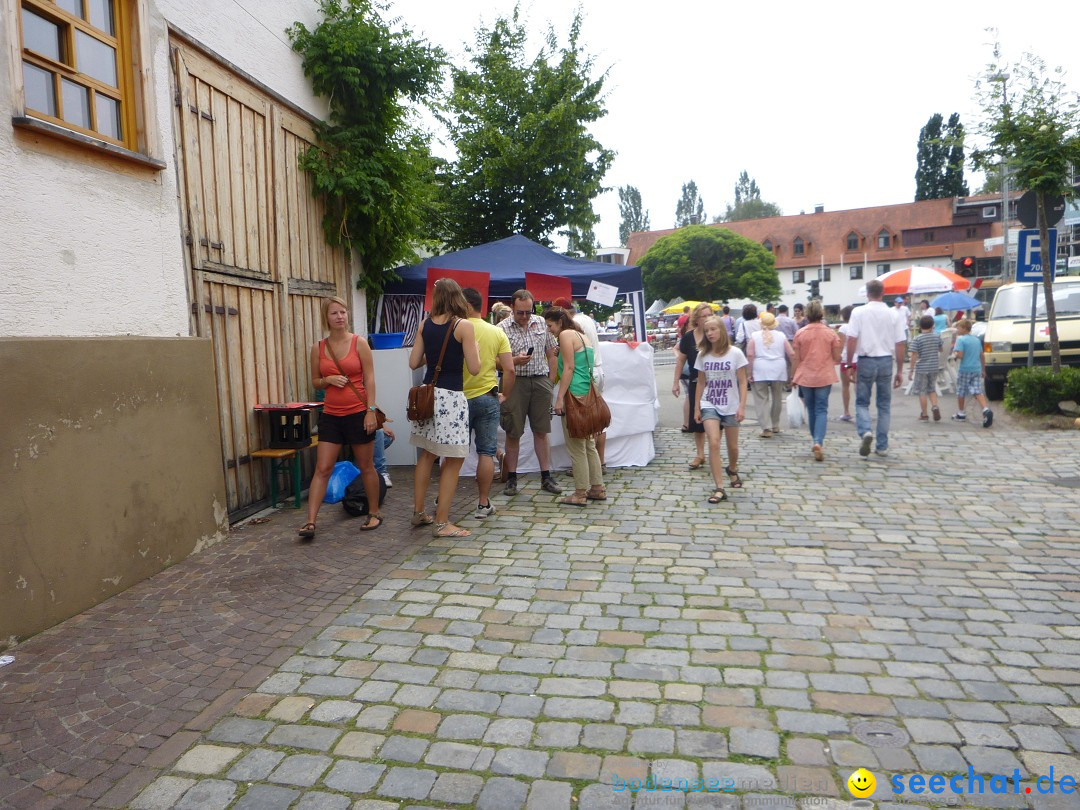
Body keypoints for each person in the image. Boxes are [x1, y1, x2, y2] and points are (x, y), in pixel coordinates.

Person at [300, 296, 383, 539]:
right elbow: (315, 380)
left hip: (358, 412)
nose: (340, 317)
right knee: (323, 467)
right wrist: (328, 380)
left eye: (343, 312)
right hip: (331, 415)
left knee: (366, 466)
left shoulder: (359, 343)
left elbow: (369, 379)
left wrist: (370, 410)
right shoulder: (319, 347)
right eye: (334, 313)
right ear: (326, 317)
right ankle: (310, 522)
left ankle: (374, 513)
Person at [409, 279, 481, 538]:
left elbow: (414, 362)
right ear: (457, 297)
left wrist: (435, 351)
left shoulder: (424, 325)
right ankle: (442, 522)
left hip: (428, 394)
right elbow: (474, 368)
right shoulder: (463, 326)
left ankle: (419, 512)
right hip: (451, 397)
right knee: (454, 458)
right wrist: (476, 352)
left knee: (427, 455)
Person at [498, 289, 561, 496]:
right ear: (512, 308)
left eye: (528, 311)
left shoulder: (541, 323)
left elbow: (552, 354)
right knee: (513, 431)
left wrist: (550, 382)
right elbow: (494, 362)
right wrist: (514, 361)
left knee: (542, 430)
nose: (525, 316)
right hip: (514, 383)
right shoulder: (501, 328)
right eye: (520, 312)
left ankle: (546, 476)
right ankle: (512, 478)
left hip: (540, 380)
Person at [462, 287, 515, 519]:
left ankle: (442, 496)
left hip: (458, 397)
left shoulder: (455, 329)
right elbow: (510, 369)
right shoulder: (496, 332)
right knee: (486, 452)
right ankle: (483, 504)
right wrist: (505, 394)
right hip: (487, 395)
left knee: (451, 453)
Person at [545, 307, 606, 506]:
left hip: (574, 394)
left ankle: (580, 493)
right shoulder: (580, 335)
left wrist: (560, 398)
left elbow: (569, 368)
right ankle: (597, 487)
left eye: (550, 325)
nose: (549, 330)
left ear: (559, 322)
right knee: (588, 444)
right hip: (586, 391)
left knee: (576, 447)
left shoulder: (565, 335)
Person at [845, 278, 907, 457]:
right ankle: (882, 445)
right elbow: (900, 343)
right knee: (884, 405)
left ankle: (865, 430)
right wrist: (900, 370)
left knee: (862, 402)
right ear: (883, 293)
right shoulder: (893, 314)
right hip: (886, 360)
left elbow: (851, 339)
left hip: (866, 360)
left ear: (867, 293)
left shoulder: (858, 312)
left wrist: (849, 363)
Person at [693, 315, 748, 503]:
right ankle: (719, 487)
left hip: (731, 404)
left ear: (721, 331)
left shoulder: (735, 353)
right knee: (713, 442)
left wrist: (741, 406)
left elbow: (742, 381)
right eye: (707, 331)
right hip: (709, 403)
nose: (710, 334)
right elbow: (701, 382)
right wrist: (696, 407)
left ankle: (732, 468)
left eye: (713, 329)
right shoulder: (702, 355)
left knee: (733, 447)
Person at [554, 297, 607, 464]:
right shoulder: (586, 320)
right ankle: (600, 462)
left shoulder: (569, 330)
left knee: (581, 434)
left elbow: (569, 366)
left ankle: (584, 470)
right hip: (595, 371)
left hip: (580, 378)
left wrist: (560, 397)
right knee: (594, 423)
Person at [791, 300, 842, 461]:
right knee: (821, 409)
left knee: (811, 408)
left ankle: (815, 440)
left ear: (806, 314)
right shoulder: (830, 333)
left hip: (805, 375)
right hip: (824, 375)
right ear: (822, 313)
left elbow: (796, 358)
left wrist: (793, 377)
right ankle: (818, 441)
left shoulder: (800, 333)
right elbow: (836, 357)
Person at [672, 303, 715, 469]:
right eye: (703, 315)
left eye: (709, 315)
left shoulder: (714, 334)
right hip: (696, 382)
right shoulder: (689, 337)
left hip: (714, 383)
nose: (706, 318)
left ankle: (714, 451)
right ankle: (700, 454)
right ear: (696, 318)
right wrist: (675, 382)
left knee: (714, 421)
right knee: (697, 422)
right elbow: (681, 360)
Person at [747, 312, 793, 438]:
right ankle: (775, 425)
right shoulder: (781, 335)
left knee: (761, 399)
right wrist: (793, 371)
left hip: (760, 368)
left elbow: (750, 354)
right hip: (778, 368)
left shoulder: (754, 336)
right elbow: (791, 353)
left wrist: (749, 372)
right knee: (777, 397)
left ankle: (766, 428)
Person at [951, 318, 994, 428]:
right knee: (977, 390)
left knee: (961, 390)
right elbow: (982, 355)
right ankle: (985, 409)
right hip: (976, 368)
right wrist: (983, 370)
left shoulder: (961, 340)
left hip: (965, 369)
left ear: (964, 328)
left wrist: (955, 353)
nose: (957, 329)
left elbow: (960, 355)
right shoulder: (976, 340)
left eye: (959, 327)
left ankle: (961, 413)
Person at [908, 315, 943, 423]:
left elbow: (914, 355)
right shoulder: (937, 337)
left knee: (922, 391)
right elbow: (941, 349)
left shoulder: (917, 338)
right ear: (932, 326)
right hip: (934, 367)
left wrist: (911, 370)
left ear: (920, 326)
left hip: (922, 368)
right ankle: (935, 406)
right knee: (931, 389)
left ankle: (924, 414)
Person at [835, 305, 855, 422]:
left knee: (846, 385)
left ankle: (846, 411)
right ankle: (861, 409)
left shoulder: (843, 328)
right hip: (858, 360)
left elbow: (841, 345)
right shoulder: (859, 326)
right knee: (858, 384)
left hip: (847, 361)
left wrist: (837, 357)